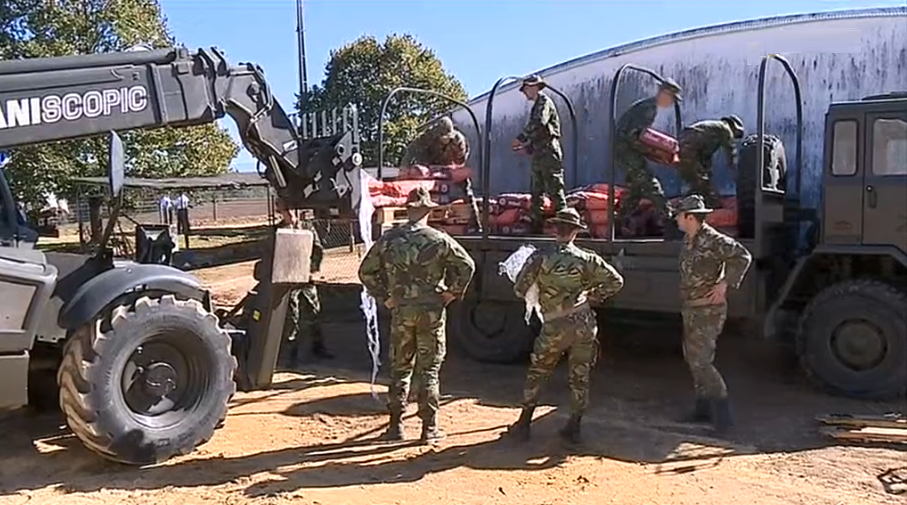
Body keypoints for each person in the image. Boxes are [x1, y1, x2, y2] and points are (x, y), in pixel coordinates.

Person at [358, 187, 476, 443]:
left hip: (402, 310)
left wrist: (385, 297)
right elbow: (467, 265)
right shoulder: (439, 239)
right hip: (431, 312)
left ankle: (395, 426)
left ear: (409, 210)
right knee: (429, 370)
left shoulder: (389, 239)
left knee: (400, 368)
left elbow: (366, 271)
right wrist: (451, 293)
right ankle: (429, 428)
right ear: (428, 211)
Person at [506, 207, 625, 444]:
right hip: (583, 323)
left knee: (538, 372)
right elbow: (616, 281)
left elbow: (519, 289)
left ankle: (524, 424)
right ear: (575, 233)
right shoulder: (588, 258)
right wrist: (591, 296)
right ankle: (574, 427)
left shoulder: (539, 258)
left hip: (554, 325)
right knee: (580, 375)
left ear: (554, 230)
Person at [673, 195, 752, 433]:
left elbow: (742, 256)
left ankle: (723, 414)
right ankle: (703, 408)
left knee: (702, 361)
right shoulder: (688, 241)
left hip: (708, 309)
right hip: (691, 307)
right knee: (693, 359)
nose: (676, 219)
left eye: (679, 215)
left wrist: (725, 283)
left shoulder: (713, 239)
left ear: (690, 217)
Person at [613, 78, 683, 235]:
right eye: (671, 98)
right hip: (627, 150)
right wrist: (653, 152)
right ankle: (670, 221)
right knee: (650, 183)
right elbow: (634, 135)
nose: (671, 102)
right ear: (664, 93)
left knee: (636, 190)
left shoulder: (646, 105)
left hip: (625, 150)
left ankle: (617, 225)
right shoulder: (648, 108)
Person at [275, 199, 333, 366]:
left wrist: (313, 269)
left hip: (306, 279)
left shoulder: (307, 227)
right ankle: (292, 354)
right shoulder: (278, 230)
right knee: (292, 318)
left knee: (314, 312)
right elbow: (273, 255)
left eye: (292, 209)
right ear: (281, 212)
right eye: (286, 210)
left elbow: (317, 249)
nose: (291, 213)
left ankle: (318, 347)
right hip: (289, 281)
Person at [401, 116, 481, 232]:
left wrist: (450, 170)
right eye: (441, 137)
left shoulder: (459, 140)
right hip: (430, 165)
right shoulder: (429, 135)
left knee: (467, 191)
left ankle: (476, 224)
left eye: (446, 138)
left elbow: (461, 160)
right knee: (423, 189)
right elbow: (412, 149)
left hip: (450, 166)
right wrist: (404, 167)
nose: (444, 140)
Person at [512, 75, 567, 234]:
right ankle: (536, 225)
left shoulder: (544, 102)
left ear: (534, 87)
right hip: (540, 151)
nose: (525, 93)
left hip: (549, 151)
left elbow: (539, 124)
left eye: (526, 89)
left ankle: (565, 223)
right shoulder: (537, 104)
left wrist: (521, 138)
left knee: (554, 187)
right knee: (537, 189)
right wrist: (528, 148)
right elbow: (539, 134)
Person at [677, 115, 744, 208]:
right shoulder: (725, 128)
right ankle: (714, 206)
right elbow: (731, 151)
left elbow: (705, 156)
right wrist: (735, 172)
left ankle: (688, 203)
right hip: (689, 148)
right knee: (704, 182)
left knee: (696, 182)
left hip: (684, 147)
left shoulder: (713, 132)